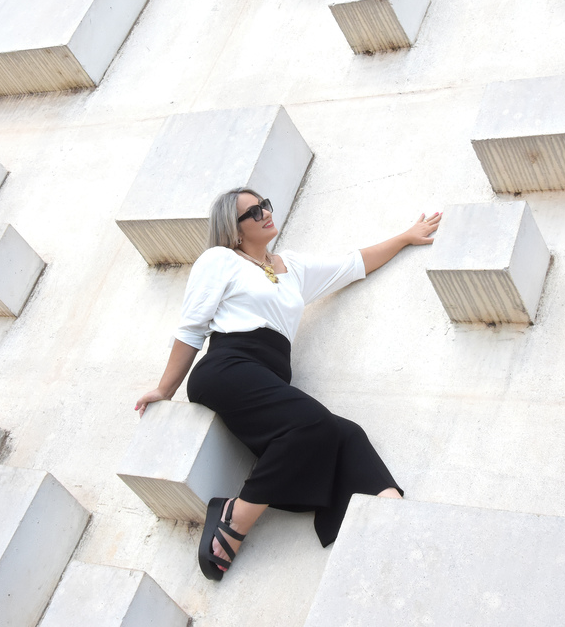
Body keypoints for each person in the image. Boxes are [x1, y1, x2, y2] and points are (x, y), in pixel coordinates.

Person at [135, 188, 441, 580]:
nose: (264, 213)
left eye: (265, 205)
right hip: (228, 366)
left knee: (346, 433)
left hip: (268, 375)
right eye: (252, 212)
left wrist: (405, 237)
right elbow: (192, 328)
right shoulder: (220, 260)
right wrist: (165, 389)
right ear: (234, 229)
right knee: (314, 423)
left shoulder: (290, 268)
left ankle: (391, 513)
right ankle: (238, 516)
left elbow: (353, 264)